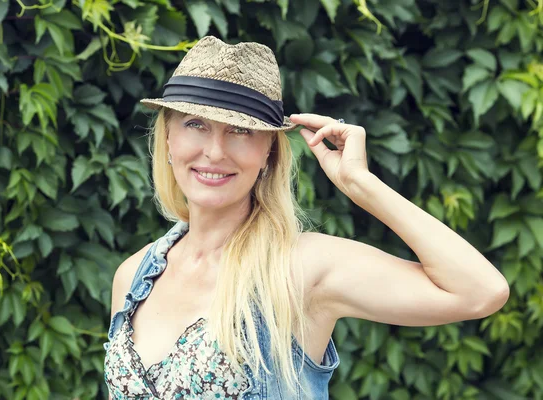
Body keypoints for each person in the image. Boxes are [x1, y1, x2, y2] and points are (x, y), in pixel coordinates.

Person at [103, 36, 509, 399]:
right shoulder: (133, 276)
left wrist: (360, 184)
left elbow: (480, 292)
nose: (214, 151)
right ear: (169, 139)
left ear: (268, 153)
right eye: (196, 125)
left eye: (241, 131)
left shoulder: (298, 269)